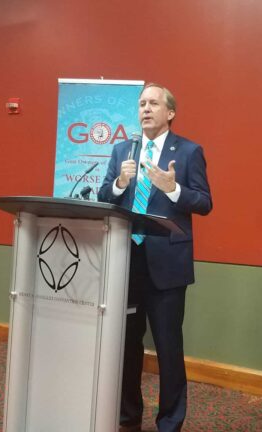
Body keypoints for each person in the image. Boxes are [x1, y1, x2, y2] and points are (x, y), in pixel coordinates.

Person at [98, 83, 212, 432]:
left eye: (153, 103)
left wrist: (172, 188)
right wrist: (120, 183)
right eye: (141, 104)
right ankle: (128, 417)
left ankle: (169, 423)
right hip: (126, 263)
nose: (145, 109)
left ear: (170, 112)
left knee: (168, 349)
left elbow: (204, 203)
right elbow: (104, 196)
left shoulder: (189, 151)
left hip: (167, 268)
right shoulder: (123, 150)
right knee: (126, 346)